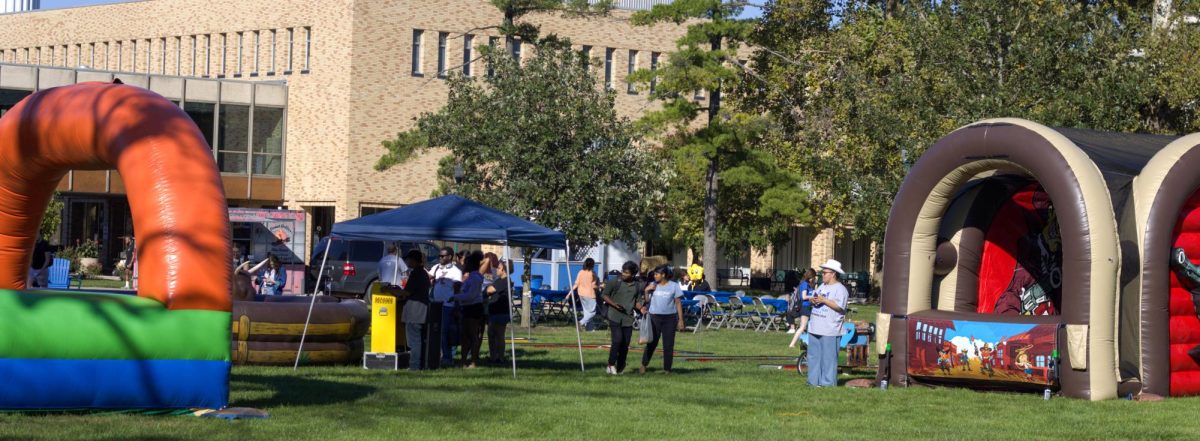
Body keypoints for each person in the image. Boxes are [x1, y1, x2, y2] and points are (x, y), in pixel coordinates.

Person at [807, 259, 849, 387]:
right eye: (822, 272)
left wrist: (824, 300)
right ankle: (813, 383)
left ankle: (827, 384)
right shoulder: (821, 286)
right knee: (813, 358)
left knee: (829, 359)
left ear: (833, 274)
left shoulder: (840, 289)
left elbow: (840, 307)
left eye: (825, 272)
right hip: (815, 327)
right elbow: (814, 299)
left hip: (830, 330)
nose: (822, 275)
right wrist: (812, 301)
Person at [639, 265, 685, 374]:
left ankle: (667, 369)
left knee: (668, 344)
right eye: (654, 274)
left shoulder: (674, 286)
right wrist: (646, 290)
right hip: (654, 317)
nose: (654, 276)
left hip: (670, 319)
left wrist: (681, 320)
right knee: (652, 343)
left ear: (663, 275)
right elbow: (646, 301)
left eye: (656, 274)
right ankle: (643, 365)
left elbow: (678, 303)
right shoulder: (653, 285)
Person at [600, 261, 644, 375]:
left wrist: (641, 308)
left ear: (633, 274)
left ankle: (620, 366)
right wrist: (614, 304)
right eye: (623, 271)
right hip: (614, 315)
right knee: (617, 340)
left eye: (627, 272)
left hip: (628, 318)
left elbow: (636, 301)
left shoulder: (638, 285)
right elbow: (604, 294)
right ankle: (610, 364)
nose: (623, 274)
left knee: (625, 343)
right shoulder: (615, 281)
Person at [430, 247, 463, 368]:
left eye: (443, 256)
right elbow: (428, 278)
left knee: (444, 332)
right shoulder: (436, 267)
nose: (440, 258)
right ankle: (436, 355)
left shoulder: (455, 271)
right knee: (435, 331)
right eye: (439, 256)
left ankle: (447, 357)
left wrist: (456, 305)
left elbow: (458, 289)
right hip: (435, 304)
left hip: (448, 305)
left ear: (449, 257)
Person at [401, 249, 431, 371]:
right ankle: (419, 364)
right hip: (421, 310)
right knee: (418, 339)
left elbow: (407, 292)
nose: (407, 262)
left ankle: (414, 366)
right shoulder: (423, 273)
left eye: (408, 259)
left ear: (413, 260)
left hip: (415, 312)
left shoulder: (416, 273)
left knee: (414, 341)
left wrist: (391, 290)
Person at [455, 251, 486, 368]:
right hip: (469, 307)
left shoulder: (474, 278)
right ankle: (463, 361)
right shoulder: (472, 278)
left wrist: (455, 297)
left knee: (472, 335)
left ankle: (472, 361)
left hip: (473, 308)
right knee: (465, 336)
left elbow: (470, 295)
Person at [484, 259, 512, 364]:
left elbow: (490, 290)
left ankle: (500, 358)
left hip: (501, 311)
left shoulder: (505, 281)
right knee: (491, 334)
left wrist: (487, 289)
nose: (496, 270)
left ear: (504, 270)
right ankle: (493, 357)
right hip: (493, 310)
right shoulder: (498, 280)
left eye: (499, 268)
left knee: (499, 335)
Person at [788, 268, 818, 347]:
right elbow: (804, 297)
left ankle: (808, 343)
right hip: (805, 307)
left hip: (808, 307)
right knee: (802, 327)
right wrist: (812, 297)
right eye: (813, 277)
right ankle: (792, 344)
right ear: (810, 276)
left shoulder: (808, 284)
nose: (814, 279)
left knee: (809, 326)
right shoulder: (804, 284)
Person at [572, 258, 600, 331]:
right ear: (592, 265)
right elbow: (593, 286)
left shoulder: (580, 272)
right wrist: (601, 286)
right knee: (593, 312)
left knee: (587, 312)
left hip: (581, 293)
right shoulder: (593, 273)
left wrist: (569, 293)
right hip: (590, 294)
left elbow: (576, 284)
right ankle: (580, 323)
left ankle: (590, 329)